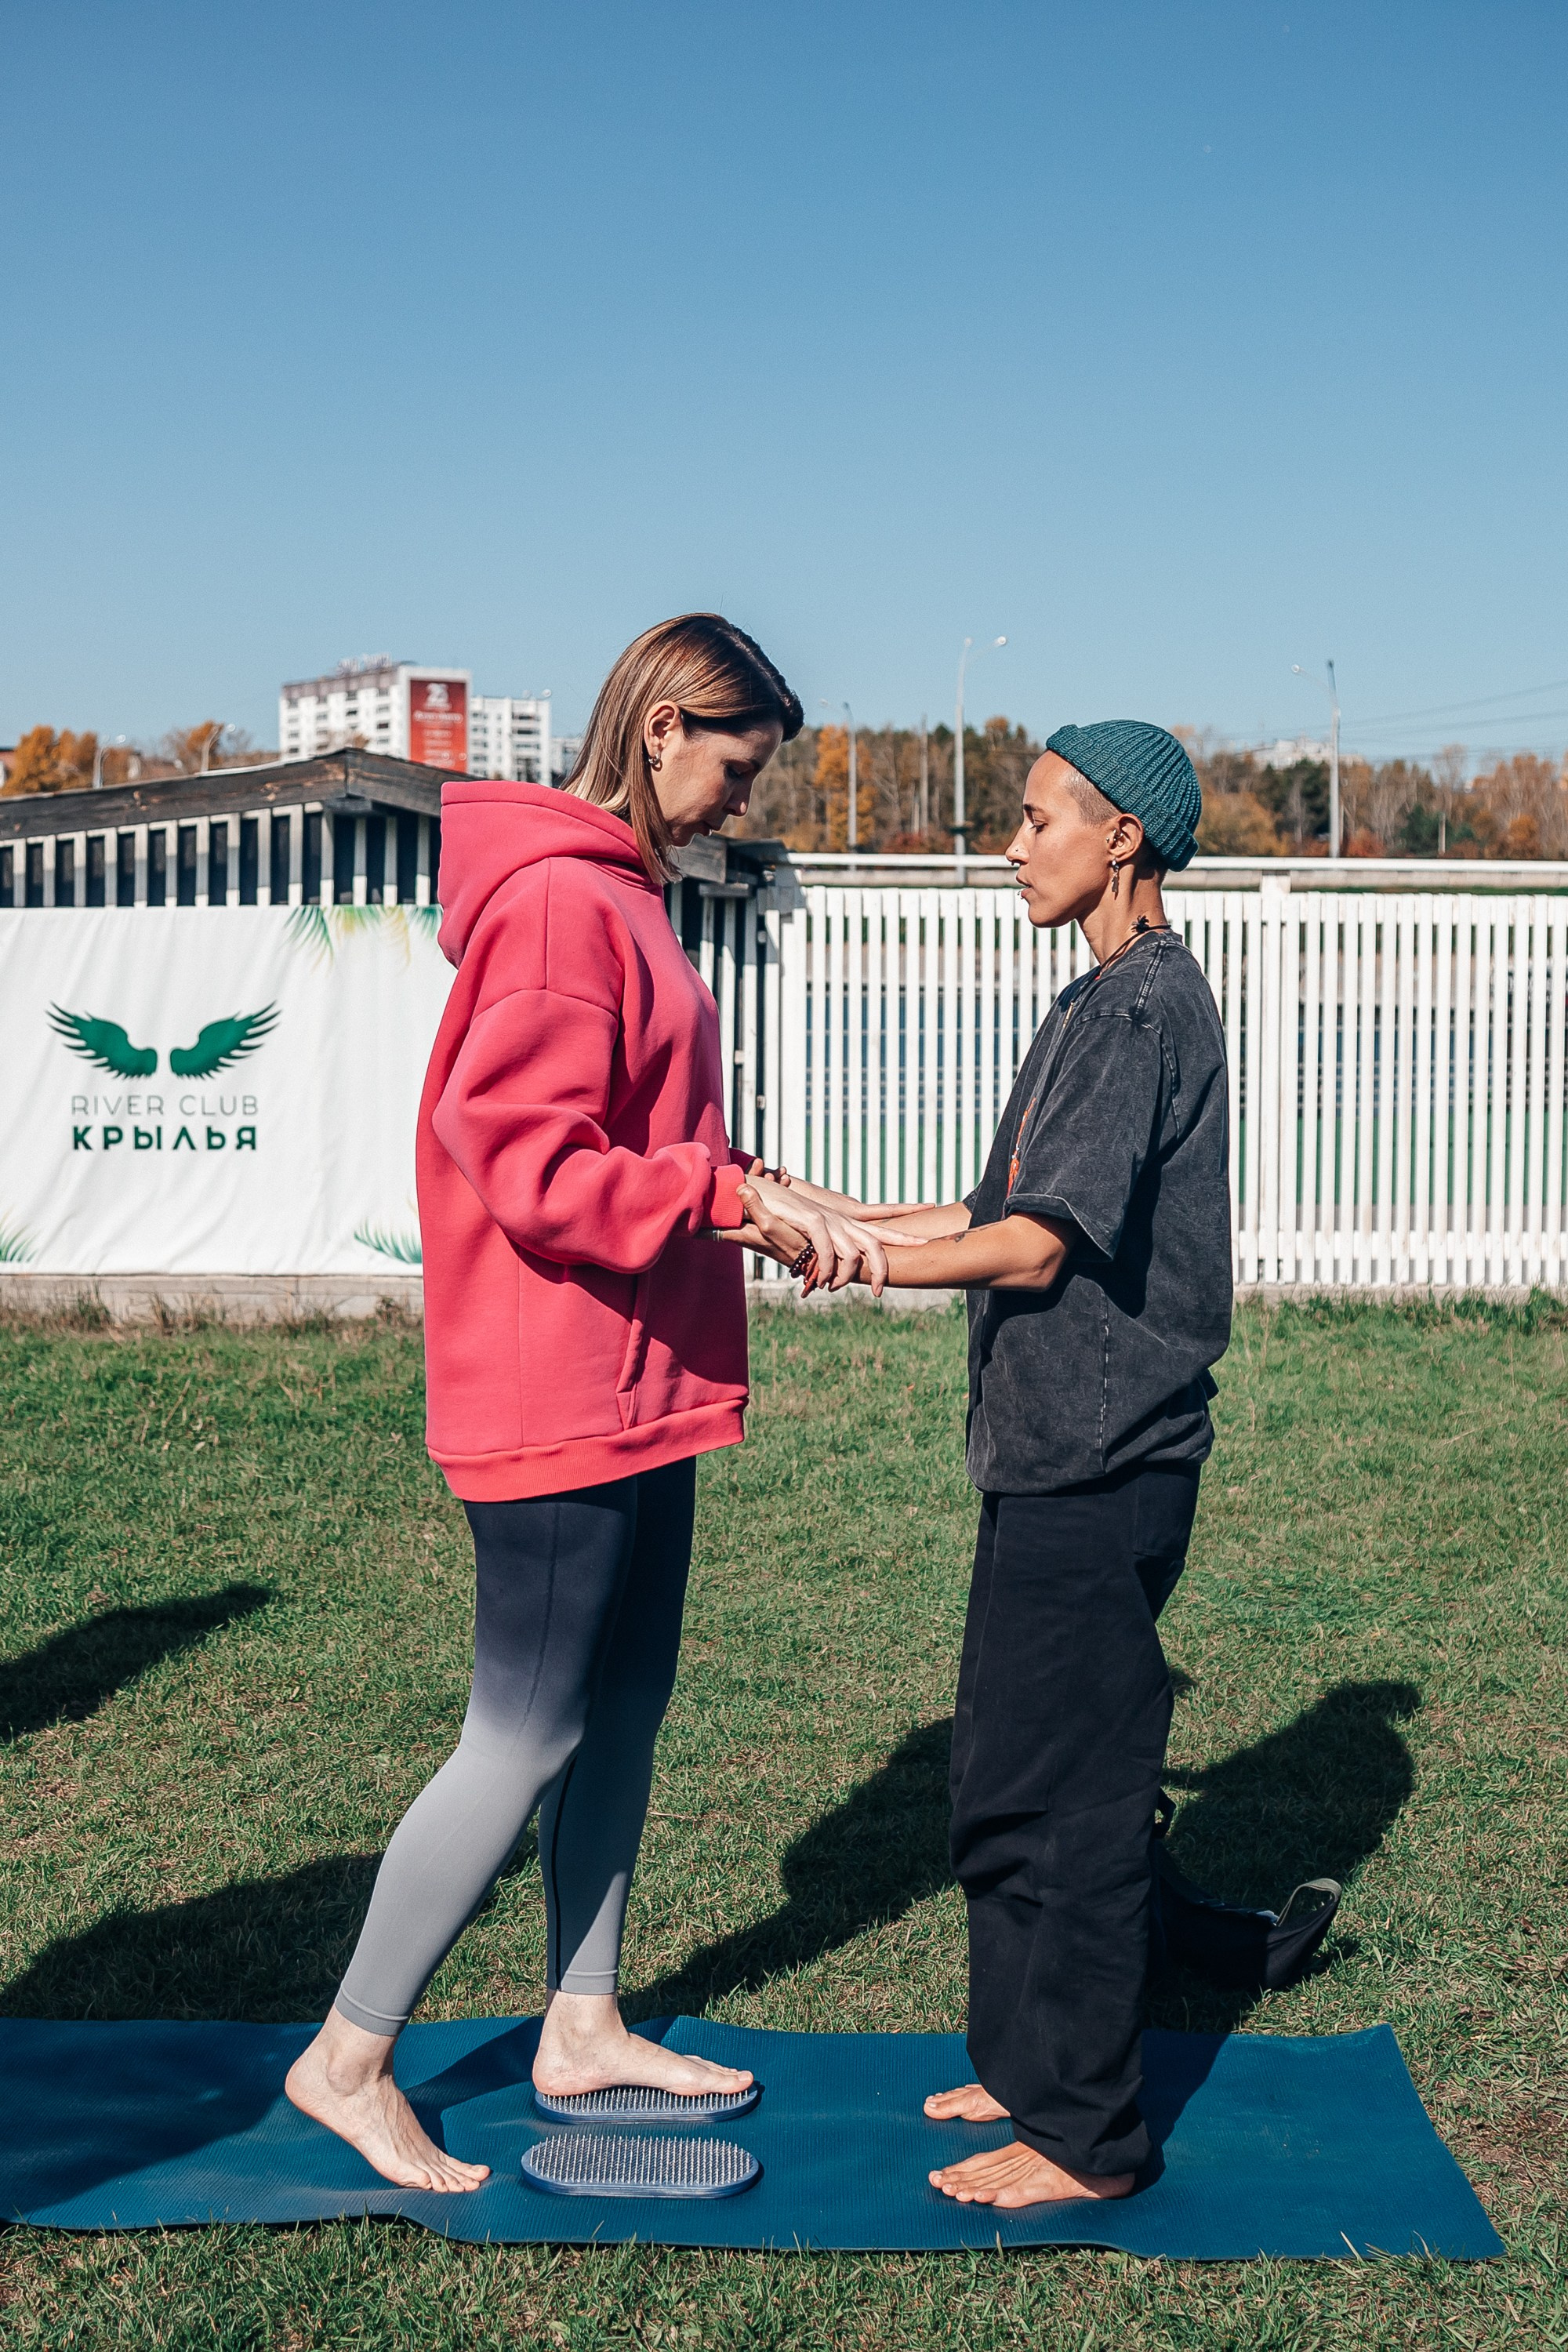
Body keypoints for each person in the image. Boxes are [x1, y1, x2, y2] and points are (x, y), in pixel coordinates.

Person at [285, 614, 880, 2191]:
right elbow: (534, 1161)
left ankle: (583, 2021)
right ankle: (346, 2058)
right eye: (736, 768)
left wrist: (770, 1192)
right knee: (524, 1730)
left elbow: (651, 1135)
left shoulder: (618, 892)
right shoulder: (559, 904)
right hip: (556, 1381)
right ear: (666, 725)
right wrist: (725, 1200)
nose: (743, 802)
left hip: (637, 1380)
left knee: (621, 1705)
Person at [735, 722, 1232, 2207]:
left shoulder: (1142, 1009)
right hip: (1043, 1455)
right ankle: (1024, 2065)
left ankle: (1088, 2137)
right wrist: (817, 1211)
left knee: (1074, 1803)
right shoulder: (1092, 1001)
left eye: (1035, 821)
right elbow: (979, 1206)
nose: (1010, 847)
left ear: (1121, 838)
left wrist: (861, 1267)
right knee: (1002, 1784)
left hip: (1102, 1460)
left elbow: (1032, 1247)